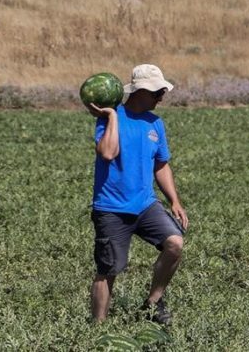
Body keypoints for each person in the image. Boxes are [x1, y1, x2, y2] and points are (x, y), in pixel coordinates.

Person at [86, 64, 189, 325]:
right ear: (140, 91)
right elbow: (108, 153)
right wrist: (111, 116)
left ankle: (152, 303)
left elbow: (161, 164)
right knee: (108, 270)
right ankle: (96, 329)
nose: (161, 97)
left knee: (175, 244)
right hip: (111, 208)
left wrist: (174, 200)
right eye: (157, 92)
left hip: (145, 205)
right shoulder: (110, 117)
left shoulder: (155, 123)